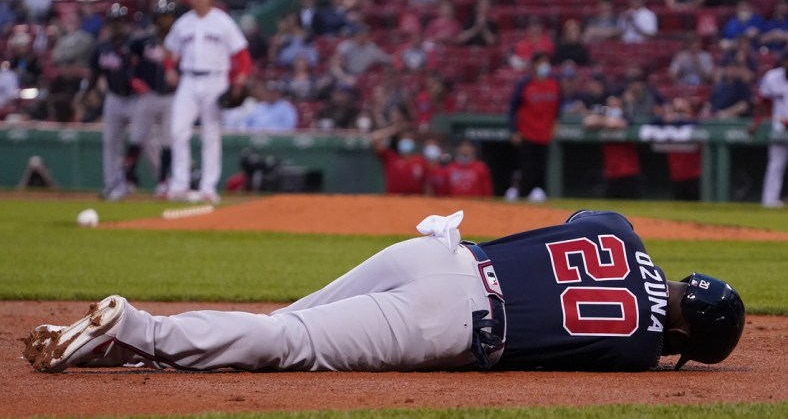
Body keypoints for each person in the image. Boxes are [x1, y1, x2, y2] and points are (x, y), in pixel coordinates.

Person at [23, 209, 745, 373]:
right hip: (453, 320)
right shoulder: (641, 347)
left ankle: (130, 353)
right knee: (289, 346)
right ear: (682, 339)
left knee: (279, 325)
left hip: (435, 253)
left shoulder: (621, 234)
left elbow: (583, 226)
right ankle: (141, 330)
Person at [163, 0, 252, 204]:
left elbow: (242, 55)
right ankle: (179, 184)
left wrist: (240, 80)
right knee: (177, 131)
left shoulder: (222, 22)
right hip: (189, 80)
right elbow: (169, 51)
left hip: (215, 80)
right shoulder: (183, 23)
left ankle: (208, 188)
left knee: (211, 135)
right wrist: (169, 69)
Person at [81, 4, 137, 201]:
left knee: (146, 142)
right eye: (114, 22)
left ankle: (164, 183)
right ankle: (112, 185)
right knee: (110, 142)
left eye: (120, 21)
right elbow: (95, 73)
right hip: (114, 97)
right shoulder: (102, 47)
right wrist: (86, 93)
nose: (117, 25)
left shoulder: (135, 44)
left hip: (136, 99)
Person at [123, 0, 178, 198]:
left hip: (171, 96)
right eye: (163, 17)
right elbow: (126, 60)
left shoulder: (180, 39)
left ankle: (163, 182)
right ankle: (127, 179)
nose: (166, 21)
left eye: (169, 17)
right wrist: (133, 79)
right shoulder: (144, 39)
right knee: (137, 137)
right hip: (149, 95)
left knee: (167, 140)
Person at [508, 52, 561, 202]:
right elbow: (512, 108)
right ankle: (522, 194)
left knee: (541, 166)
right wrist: (514, 130)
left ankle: (538, 192)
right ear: (534, 64)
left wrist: (554, 126)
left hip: (544, 132)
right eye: (541, 62)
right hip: (527, 132)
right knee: (526, 166)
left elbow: (557, 109)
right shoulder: (524, 84)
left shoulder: (554, 84)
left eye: (546, 62)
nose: (545, 65)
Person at [583, 95, 643, 199]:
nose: (612, 107)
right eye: (610, 105)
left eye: (615, 105)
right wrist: (605, 119)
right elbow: (588, 122)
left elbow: (617, 124)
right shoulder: (603, 117)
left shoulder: (626, 116)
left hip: (628, 173)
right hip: (611, 173)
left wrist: (605, 121)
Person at [753, 52, 788, 208]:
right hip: (779, 126)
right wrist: (757, 122)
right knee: (776, 164)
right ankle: (769, 202)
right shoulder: (772, 77)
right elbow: (763, 102)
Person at [652, 97, 702, 201]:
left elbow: (696, 124)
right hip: (675, 174)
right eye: (676, 111)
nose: (678, 115)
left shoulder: (694, 123)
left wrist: (678, 118)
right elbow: (653, 121)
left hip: (694, 174)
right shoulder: (666, 123)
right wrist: (667, 119)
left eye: (681, 111)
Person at [372, 124, 427, 194]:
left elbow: (426, 183)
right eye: (404, 139)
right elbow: (375, 139)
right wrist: (392, 130)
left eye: (409, 139)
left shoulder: (420, 160)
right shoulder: (391, 157)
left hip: (415, 201)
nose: (406, 141)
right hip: (394, 200)